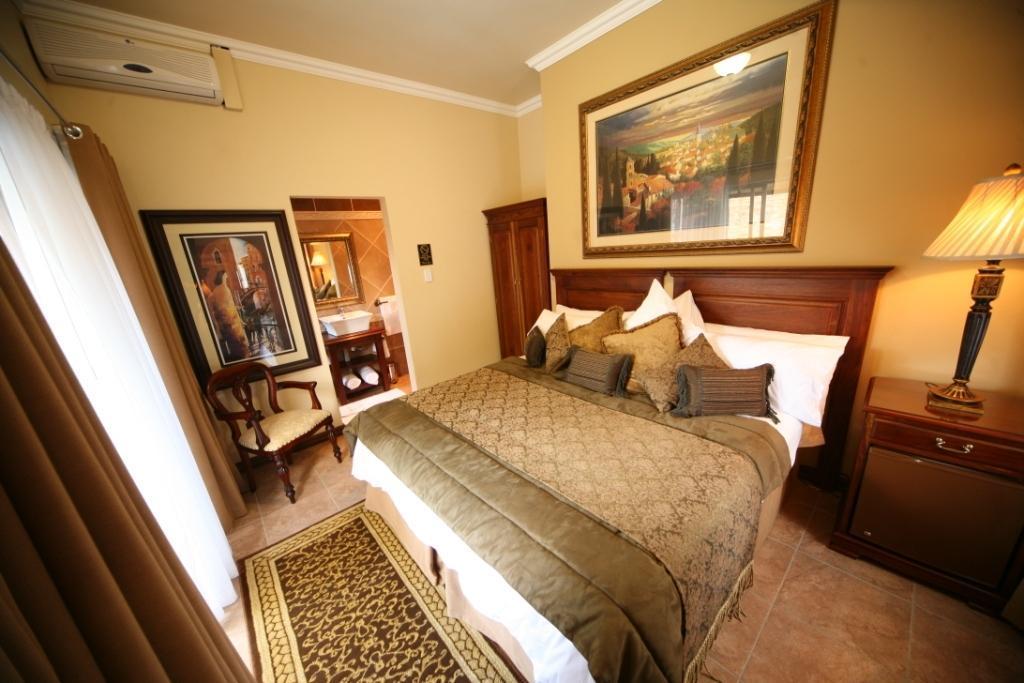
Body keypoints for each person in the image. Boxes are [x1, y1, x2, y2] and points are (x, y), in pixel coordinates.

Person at [205, 270, 249, 360]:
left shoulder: (219, 291)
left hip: (230, 323)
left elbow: (229, 306)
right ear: (222, 277)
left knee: (239, 344)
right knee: (239, 345)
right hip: (230, 324)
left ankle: (243, 357)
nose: (226, 278)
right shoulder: (222, 290)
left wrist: (240, 319)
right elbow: (222, 310)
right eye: (225, 277)